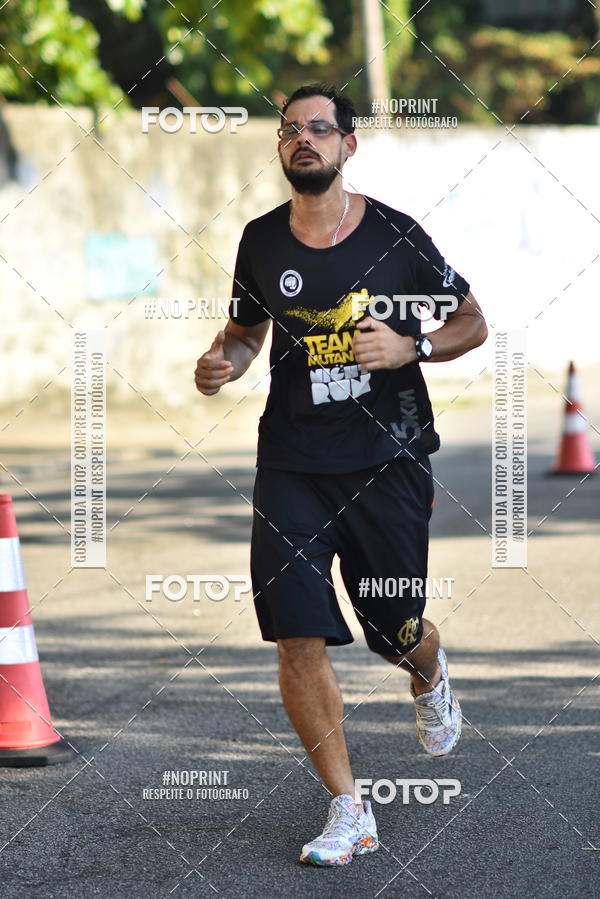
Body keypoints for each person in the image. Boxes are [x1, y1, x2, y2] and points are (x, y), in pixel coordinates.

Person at [194, 83, 488, 867]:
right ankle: (350, 808)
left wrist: (412, 349)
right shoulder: (261, 241)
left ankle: (427, 670)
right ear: (282, 148)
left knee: (390, 629)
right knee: (296, 632)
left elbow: (471, 321)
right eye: (291, 130)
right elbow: (247, 333)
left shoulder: (395, 235)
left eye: (320, 129)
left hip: (386, 457)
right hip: (291, 459)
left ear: (348, 146)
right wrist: (225, 361)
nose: (304, 140)